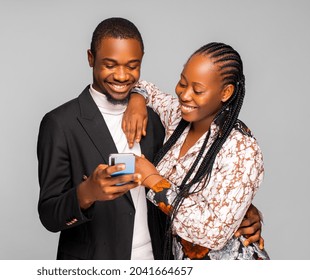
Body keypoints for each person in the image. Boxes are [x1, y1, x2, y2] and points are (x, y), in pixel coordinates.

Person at [37, 17, 263, 260]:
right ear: (91, 58)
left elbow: (205, 193)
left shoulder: (159, 120)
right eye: (110, 64)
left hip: (161, 258)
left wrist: (240, 211)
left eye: (132, 65)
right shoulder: (61, 123)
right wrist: (86, 193)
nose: (122, 76)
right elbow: (50, 215)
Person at [123, 42, 270, 259]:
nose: (185, 95)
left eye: (198, 90)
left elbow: (213, 233)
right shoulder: (178, 117)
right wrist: (137, 100)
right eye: (182, 83)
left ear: (226, 92)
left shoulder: (241, 149)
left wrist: (152, 179)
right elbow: (148, 89)